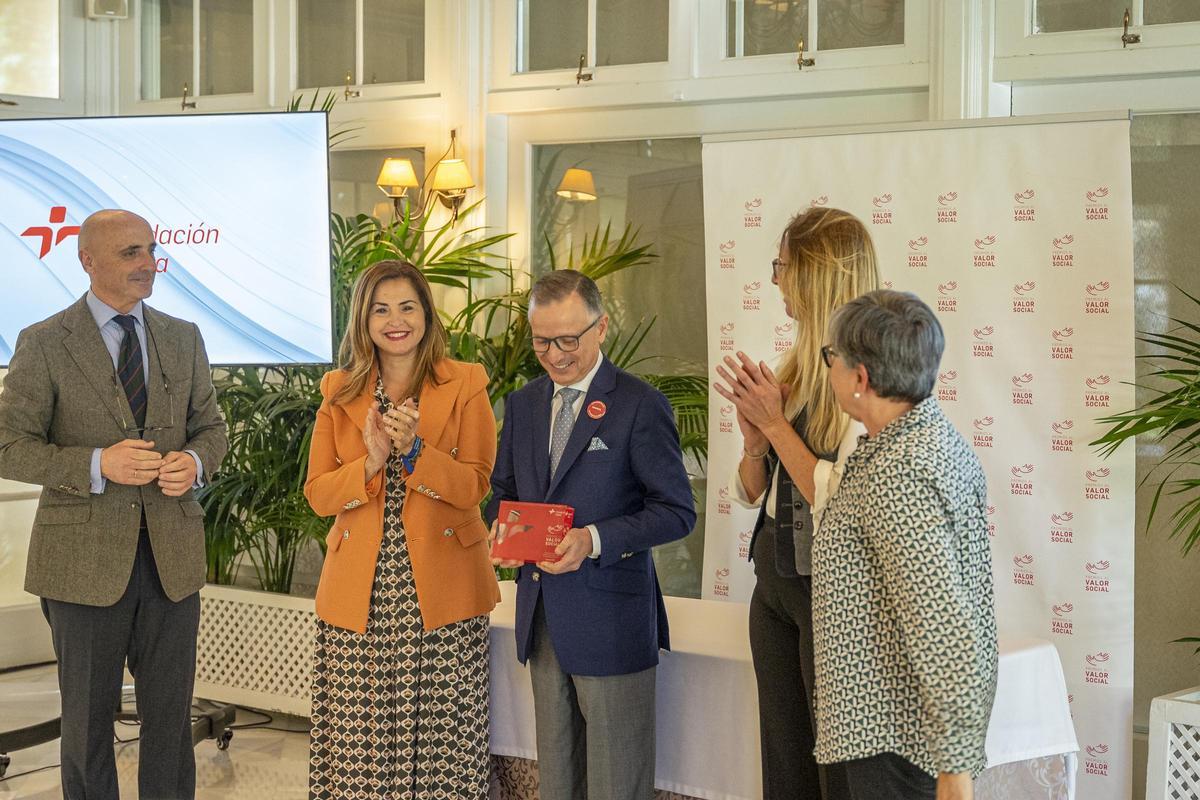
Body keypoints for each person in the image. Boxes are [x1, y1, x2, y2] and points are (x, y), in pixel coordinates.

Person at [0, 209, 228, 799]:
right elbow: (9, 447)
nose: (147, 263)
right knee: (86, 725)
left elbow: (212, 430)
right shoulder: (44, 342)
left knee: (171, 724)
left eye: (150, 250)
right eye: (130, 252)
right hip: (80, 568)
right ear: (88, 260)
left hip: (172, 563)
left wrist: (195, 463)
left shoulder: (183, 336)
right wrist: (98, 464)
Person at [487, 269, 695, 800]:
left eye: (568, 340)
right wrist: (497, 526)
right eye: (540, 341)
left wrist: (594, 539)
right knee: (558, 780)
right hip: (541, 616)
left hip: (612, 619)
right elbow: (505, 490)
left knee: (615, 781)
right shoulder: (525, 404)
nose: (555, 355)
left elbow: (676, 511)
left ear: (601, 329)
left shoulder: (638, 404)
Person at [304, 259, 500, 800]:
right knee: (360, 743)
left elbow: (475, 486)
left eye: (408, 307)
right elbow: (319, 494)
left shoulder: (465, 383)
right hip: (360, 593)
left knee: (443, 745)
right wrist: (369, 462)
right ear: (363, 320)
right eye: (381, 308)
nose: (396, 320)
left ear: (426, 314)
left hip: (443, 588)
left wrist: (416, 451)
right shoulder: (339, 390)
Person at [713, 206, 878, 800]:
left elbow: (844, 503)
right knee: (783, 762)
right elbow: (753, 490)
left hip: (831, 595)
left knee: (837, 769)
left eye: (784, 266)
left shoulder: (869, 375)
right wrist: (757, 442)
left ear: (816, 273)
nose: (776, 280)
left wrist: (777, 426)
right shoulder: (802, 363)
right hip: (777, 584)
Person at [813, 290, 998, 800]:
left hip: (896, 738)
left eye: (831, 357)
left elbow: (943, 624)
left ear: (860, 378)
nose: (827, 369)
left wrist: (955, 772)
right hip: (889, 730)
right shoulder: (915, 442)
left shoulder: (901, 473)